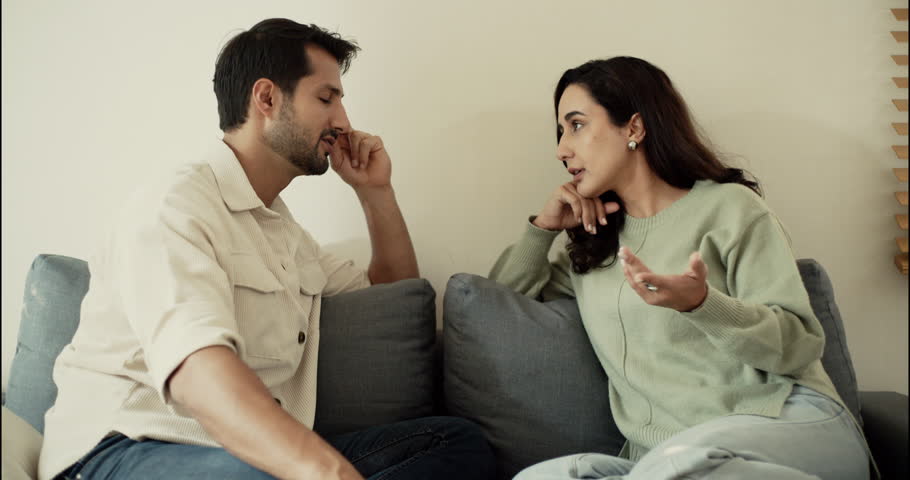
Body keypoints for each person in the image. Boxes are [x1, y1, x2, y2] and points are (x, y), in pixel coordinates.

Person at [38, 18, 494, 480]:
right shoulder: (176, 204)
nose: (343, 122)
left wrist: (375, 192)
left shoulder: (286, 236)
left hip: (249, 459)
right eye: (326, 98)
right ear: (268, 99)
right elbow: (198, 372)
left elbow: (393, 297)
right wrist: (325, 470)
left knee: (453, 443)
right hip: (122, 449)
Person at [489, 56, 872, 480]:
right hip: (663, 459)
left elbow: (800, 343)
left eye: (576, 125)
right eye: (561, 131)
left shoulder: (729, 208)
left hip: (785, 422)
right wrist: (542, 230)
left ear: (633, 128)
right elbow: (498, 307)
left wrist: (703, 304)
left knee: (679, 464)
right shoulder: (591, 247)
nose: (562, 149)